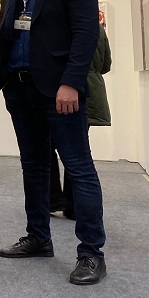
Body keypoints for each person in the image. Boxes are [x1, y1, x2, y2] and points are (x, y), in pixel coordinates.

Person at [0, 0, 107, 285]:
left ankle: (91, 253)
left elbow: (86, 34)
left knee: (78, 168)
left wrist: (71, 83)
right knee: (33, 167)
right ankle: (38, 237)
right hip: (20, 89)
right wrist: (1, 79)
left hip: (60, 92)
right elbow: (8, 36)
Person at [50, 24, 111, 219]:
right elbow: (106, 64)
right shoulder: (97, 28)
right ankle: (74, 205)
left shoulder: (61, 24)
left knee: (48, 145)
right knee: (77, 149)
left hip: (65, 90)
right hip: (92, 91)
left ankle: (53, 198)